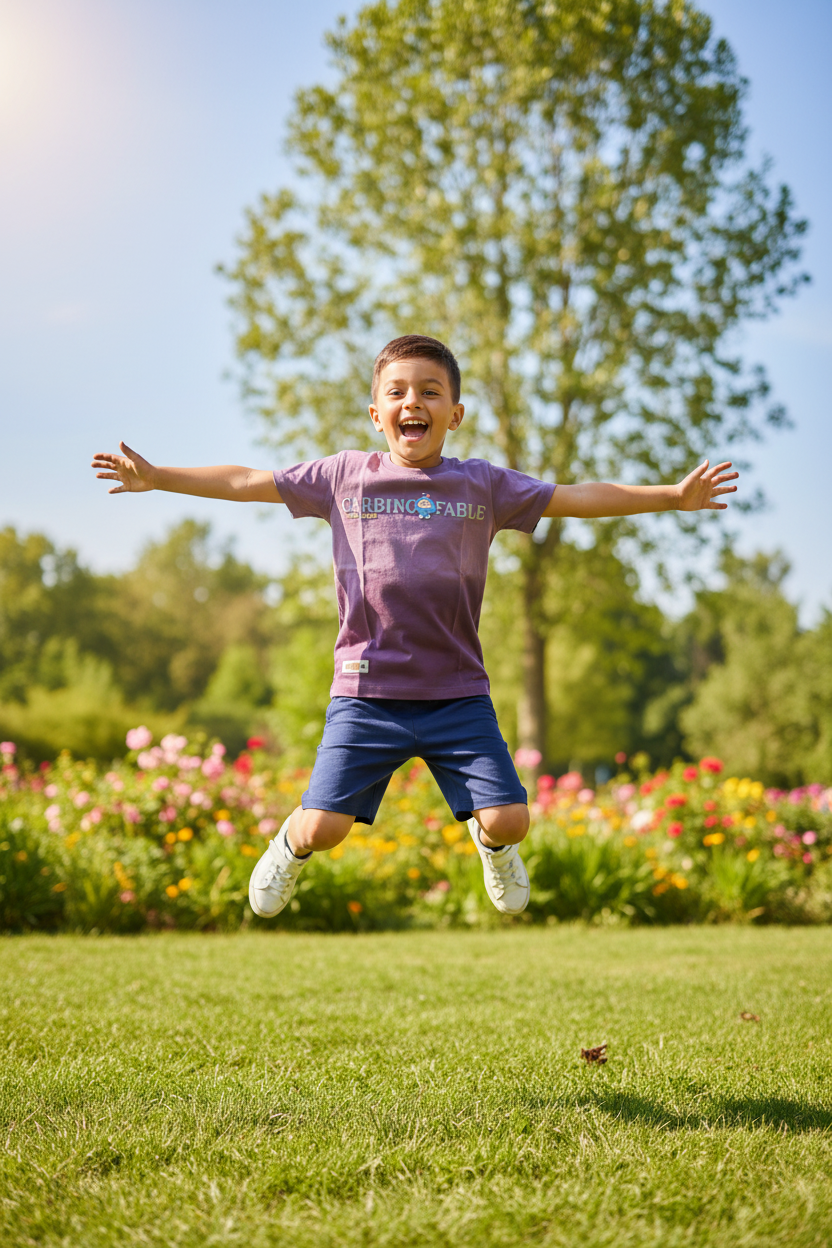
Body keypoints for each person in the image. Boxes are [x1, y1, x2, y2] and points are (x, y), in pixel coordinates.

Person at [92, 334, 738, 920]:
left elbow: (577, 495)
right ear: (377, 414)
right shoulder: (343, 476)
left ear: (454, 414)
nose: (413, 402)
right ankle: (289, 845)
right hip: (365, 693)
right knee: (325, 830)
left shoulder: (481, 484)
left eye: (431, 391)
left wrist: (671, 496)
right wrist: (159, 478)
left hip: (456, 693)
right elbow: (246, 479)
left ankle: (491, 848)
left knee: (510, 818)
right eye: (397, 392)